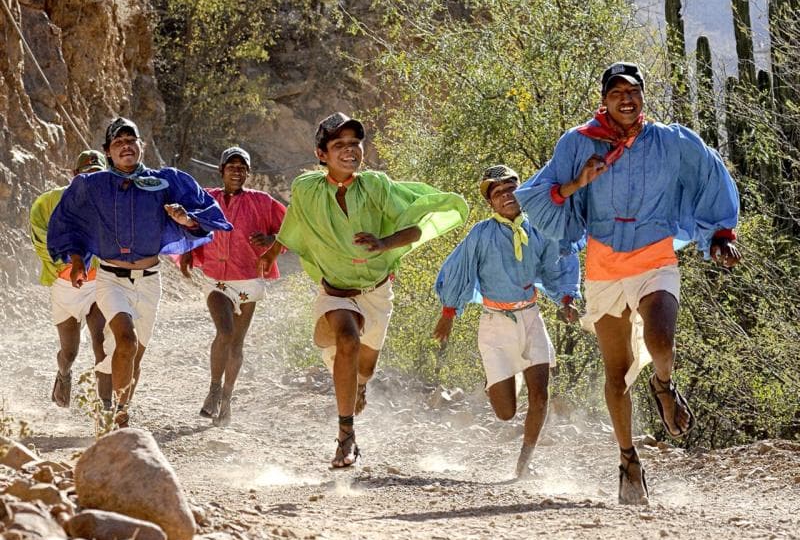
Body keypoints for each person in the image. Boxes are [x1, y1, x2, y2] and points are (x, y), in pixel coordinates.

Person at [516, 62, 741, 504]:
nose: (626, 98)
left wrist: (720, 234)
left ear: (642, 97)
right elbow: (541, 194)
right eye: (616, 91)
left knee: (661, 339)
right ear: (604, 100)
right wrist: (579, 181)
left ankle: (662, 383)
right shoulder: (577, 143)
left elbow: (711, 176)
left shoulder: (671, 141)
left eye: (633, 91)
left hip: (654, 255)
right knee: (615, 375)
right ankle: (628, 460)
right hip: (603, 265)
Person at [260, 112, 468, 467]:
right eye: (338, 144)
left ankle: (357, 384)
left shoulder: (376, 186)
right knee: (347, 340)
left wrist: (384, 243)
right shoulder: (306, 189)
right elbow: (294, 225)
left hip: (376, 292)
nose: (349, 150)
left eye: (354, 143)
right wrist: (273, 251)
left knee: (365, 369)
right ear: (321, 153)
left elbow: (416, 229)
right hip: (335, 292)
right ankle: (345, 436)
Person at [47, 117, 232, 427]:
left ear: (141, 146)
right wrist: (77, 259)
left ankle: (116, 405)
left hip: (149, 281)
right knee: (126, 341)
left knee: (134, 358)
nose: (126, 146)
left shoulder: (167, 182)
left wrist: (186, 219)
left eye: (131, 140)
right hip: (110, 279)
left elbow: (207, 213)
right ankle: (117, 416)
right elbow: (68, 222)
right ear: (107, 151)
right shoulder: (93, 186)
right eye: (118, 142)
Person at [433, 165, 580, 478]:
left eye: (511, 188)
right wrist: (449, 313)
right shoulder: (481, 234)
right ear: (491, 203)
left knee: (540, 395)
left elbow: (556, 266)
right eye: (497, 193)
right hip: (495, 323)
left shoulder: (539, 229)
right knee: (505, 412)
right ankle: (499, 380)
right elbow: (459, 270)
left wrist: (566, 299)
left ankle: (523, 466)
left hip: (530, 316)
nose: (506, 196)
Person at [180, 146, 286, 427]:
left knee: (237, 343)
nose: (237, 172)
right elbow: (190, 225)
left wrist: (272, 239)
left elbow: (292, 228)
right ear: (221, 171)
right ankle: (214, 389)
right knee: (224, 332)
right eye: (232, 167)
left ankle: (227, 398)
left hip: (248, 279)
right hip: (216, 278)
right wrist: (188, 252)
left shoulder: (262, 202)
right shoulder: (207, 198)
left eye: (242, 168)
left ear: (248, 173)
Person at [30, 150, 113, 410]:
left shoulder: (112, 202)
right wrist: (64, 263)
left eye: (97, 174)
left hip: (98, 283)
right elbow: (39, 234)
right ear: (75, 176)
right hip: (65, 286)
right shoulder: (50, 201)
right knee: (70, 352)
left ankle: (106, 409)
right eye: (86, 174)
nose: (91, 179)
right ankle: (63, 374)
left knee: (101, 341)